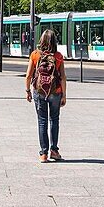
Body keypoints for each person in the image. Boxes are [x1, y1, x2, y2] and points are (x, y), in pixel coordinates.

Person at [25, 28, 67, 163]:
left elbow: (28, 75)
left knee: (42, 121)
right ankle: (54, 151)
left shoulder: (35, 55)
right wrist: (64, 95)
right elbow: (63, 77)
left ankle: (43, 153)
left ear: (41, 40)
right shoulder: (58, 56)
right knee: (54, 120)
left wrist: (27, 91)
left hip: (39, 91)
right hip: (56, 92)